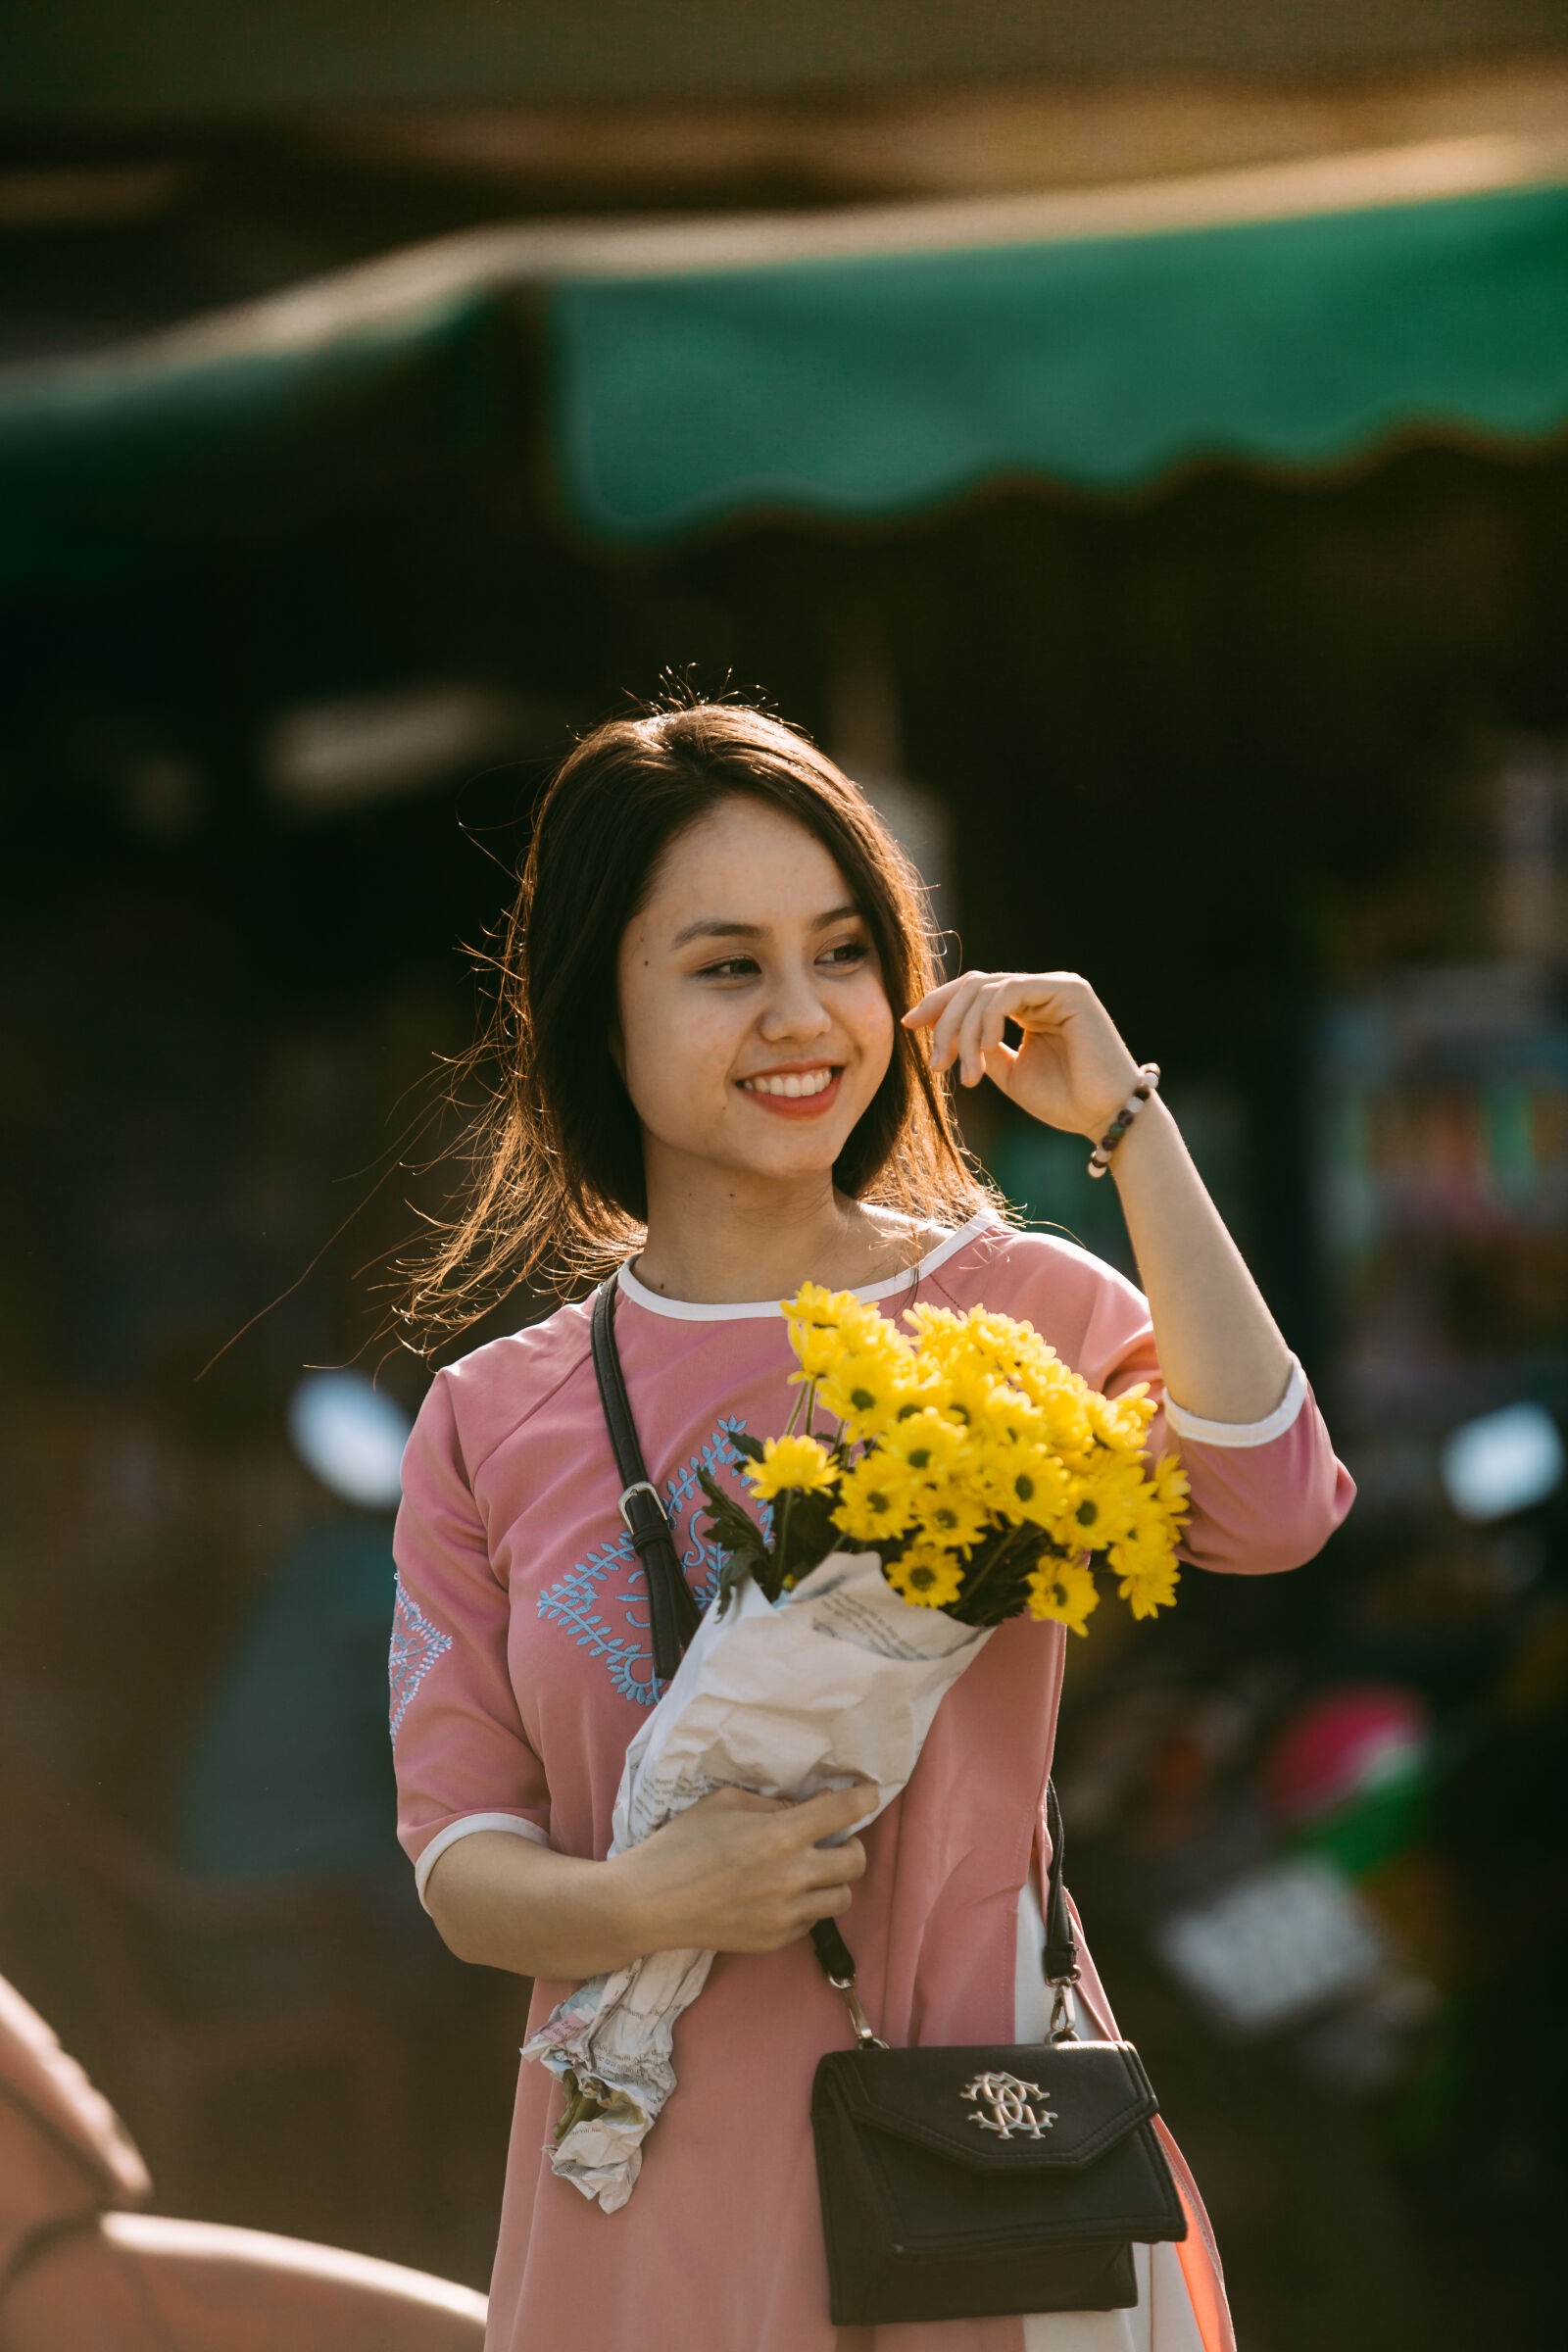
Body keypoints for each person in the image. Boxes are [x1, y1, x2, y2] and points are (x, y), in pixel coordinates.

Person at [389, 702, 1353, 2352]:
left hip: (986, 2182)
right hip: (647, 2212)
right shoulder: (493, 1415)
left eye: (841, 954)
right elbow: (463, 1859)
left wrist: (1128, 1125)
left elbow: (1273, 1507)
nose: (801, 1018)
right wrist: (651, 1899)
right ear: (594, 1015)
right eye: (721, 966)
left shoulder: (1017, 1305)